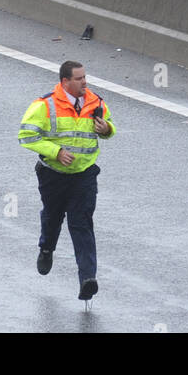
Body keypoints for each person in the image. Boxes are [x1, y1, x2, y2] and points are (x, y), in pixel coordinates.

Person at [18, 60, 117, 301]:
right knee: (53, 217)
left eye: (85, 77)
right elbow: (26, 136)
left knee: (81, 222)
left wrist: (106, 129)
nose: (84, 82)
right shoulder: (45, 105)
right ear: (65, 82)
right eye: (79, 78)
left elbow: (110, 127)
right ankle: (46, 248)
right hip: (53, 174)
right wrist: (56, 152)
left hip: (84, 174)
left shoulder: (96, 102)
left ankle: (87, 279)